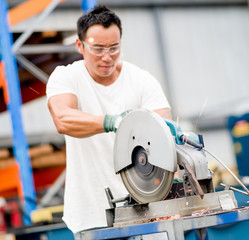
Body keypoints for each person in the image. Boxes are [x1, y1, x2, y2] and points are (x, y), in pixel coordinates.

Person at [46, 5, 171, 236]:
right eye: (98, 48)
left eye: (114, 48)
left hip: (146, 208)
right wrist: (111, 122)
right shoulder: (66, 77)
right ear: (80, 46)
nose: (107, 57)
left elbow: (166, 131)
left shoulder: (142, 81)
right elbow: (63, 118)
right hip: (92, 213)